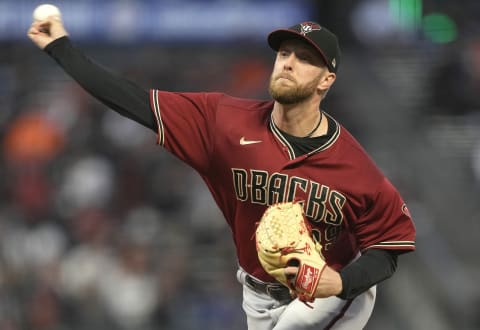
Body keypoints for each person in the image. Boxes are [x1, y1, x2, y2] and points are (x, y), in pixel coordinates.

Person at [28, 17, 416, 330]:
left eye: (305, 58)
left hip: (330, 293)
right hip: (258, 297)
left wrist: (342, 283)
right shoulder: (224, 123)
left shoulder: (354, 166)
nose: (288, 62)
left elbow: (390, 245)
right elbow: (134, 101)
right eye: (284, 53)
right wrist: (61, 47)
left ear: (326, 80)